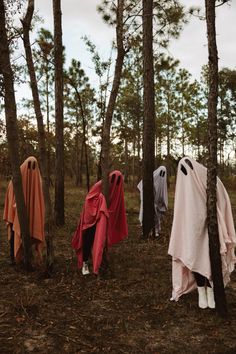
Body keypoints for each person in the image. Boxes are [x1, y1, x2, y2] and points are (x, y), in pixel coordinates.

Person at [168, 157, 236, 309]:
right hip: (192, 229)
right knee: (194, 256)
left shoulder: (207, 177)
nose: (184, 174)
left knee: (211, 258)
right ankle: (201, 291)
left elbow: (222, 197)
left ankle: (211, 291)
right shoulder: (184, 183)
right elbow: (182, 207)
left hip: (210, 227)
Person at [72, 170, 128, 275]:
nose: (115, 183)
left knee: (101, 240)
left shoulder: (118, 190)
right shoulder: (101, 184)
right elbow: (89, 198)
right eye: (113, 179)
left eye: (118, 181)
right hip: (92, 219)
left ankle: (99, 260)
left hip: (103, 218)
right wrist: (100, 203)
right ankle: (85, 263)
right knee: (88, 238)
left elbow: (117, 206)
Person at [3, 156, 45, 265]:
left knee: (30, 233)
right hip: (16, 214)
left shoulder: (37, 182)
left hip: (30, 215)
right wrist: (16, 210)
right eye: (29, 165)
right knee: (14, 234)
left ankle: (27, 256)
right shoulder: (15, 182)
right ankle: (13, 257)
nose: (31, 169)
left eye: (34, 166)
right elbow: (10, 196)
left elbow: (39, 203)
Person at [137, 166, 168, 237]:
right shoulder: (153, 177)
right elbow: (141, 185)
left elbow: (162, 193)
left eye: (163, 173)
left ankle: (156, 231)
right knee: (148, 215)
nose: (162, 174)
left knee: (157, 216)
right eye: (161, 172)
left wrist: (163, 203)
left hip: (157, 203)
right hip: (149, 201)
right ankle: (146, 231)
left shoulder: (162, 181)